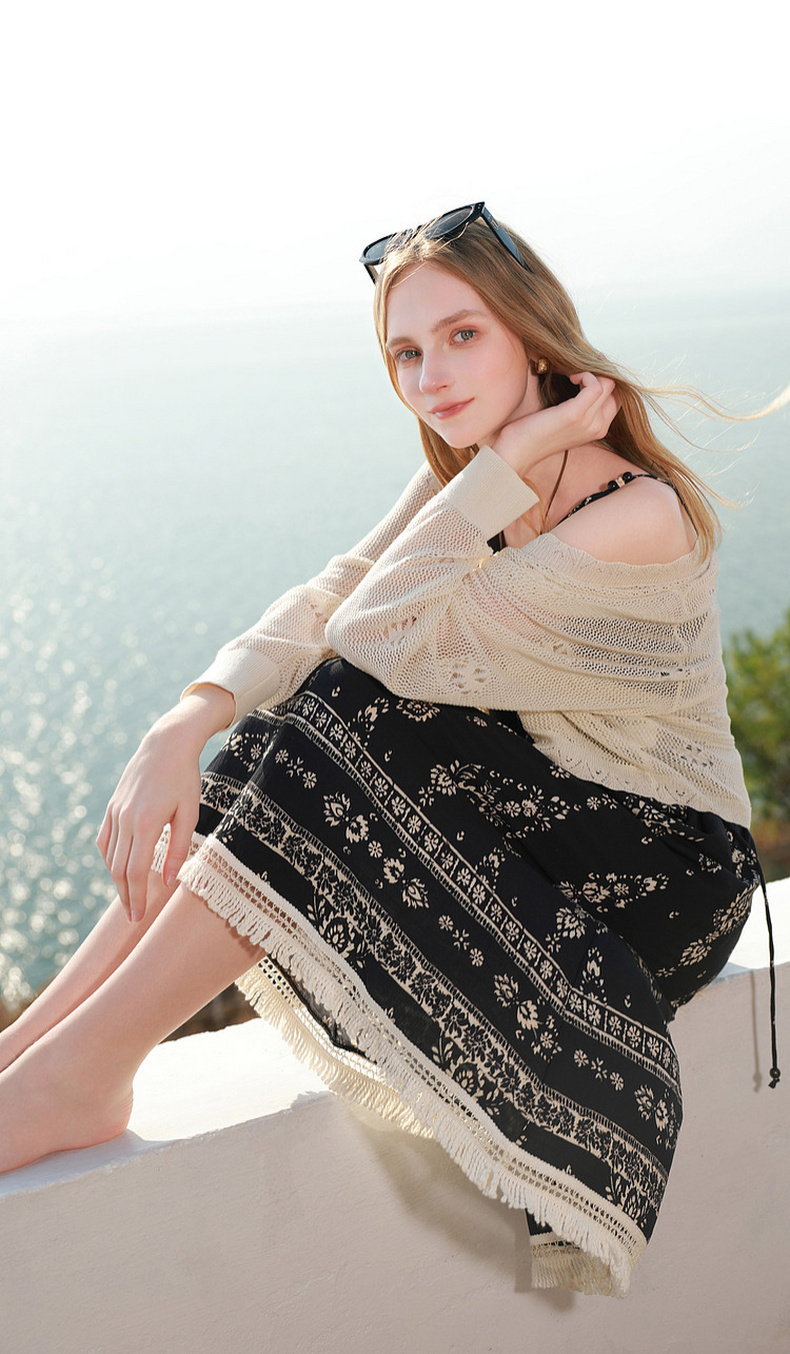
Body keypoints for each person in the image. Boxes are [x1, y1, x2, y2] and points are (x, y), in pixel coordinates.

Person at [0, 203, 779, 1297]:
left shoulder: (629, 511)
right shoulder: (483, 476)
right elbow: (336, 594)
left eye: (462, 335)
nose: (431, 376)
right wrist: (184, 719)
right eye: (406, 352)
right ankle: (38, 1052)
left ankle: (80, 1077)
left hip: (666, 872)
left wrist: (506, 461)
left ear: (532, 338)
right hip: (558, 822)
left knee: (344, 715)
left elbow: (373, 639)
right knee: (260, 744)